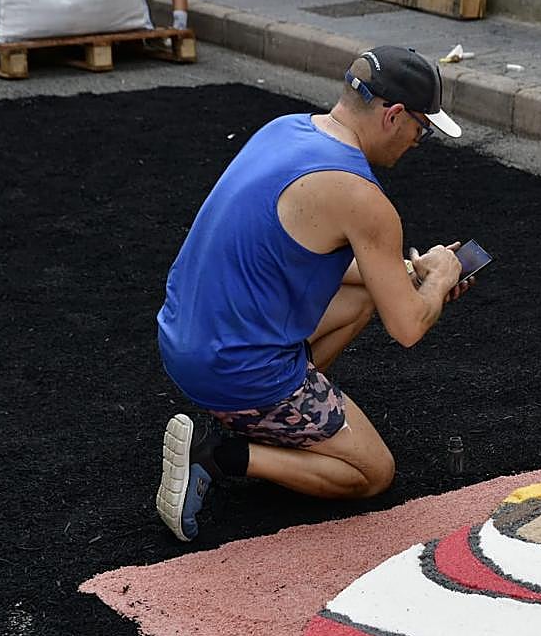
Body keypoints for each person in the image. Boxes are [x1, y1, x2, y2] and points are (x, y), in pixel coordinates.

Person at [154, 46, 468, 542]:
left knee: (369, 291)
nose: (417, 141)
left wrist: (407, 272)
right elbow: (408, 328)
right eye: (421, 129)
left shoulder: (284, 128)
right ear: (392, 116)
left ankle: (264, 416)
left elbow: (306, 252)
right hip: (234, 369)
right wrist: (441, 277)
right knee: (374, 473)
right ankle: (223, 455)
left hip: (183, 339)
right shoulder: (362, 197)